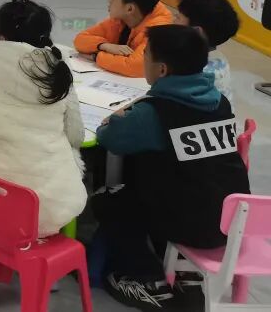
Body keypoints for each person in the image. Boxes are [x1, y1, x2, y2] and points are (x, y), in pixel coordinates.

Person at [94, 25, 250, 310]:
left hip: (188, 223)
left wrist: (117, 118)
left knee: (110, 200)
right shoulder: (219, 102)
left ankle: (146, 279)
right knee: (178, 185)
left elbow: (109, 138)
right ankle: (186, 273)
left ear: (162, 69)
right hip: (231, 220)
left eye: (146, 56)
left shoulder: (153, 113)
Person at [0, 0, 86, 236]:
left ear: (0, 35)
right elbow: (76, 135)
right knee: (71, 156)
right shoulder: (58, 72)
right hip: (49, 207)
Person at [74, 0, 173, 78]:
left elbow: (136, 67)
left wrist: (96, 56)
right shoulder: (121, 19)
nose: (109, 1)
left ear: (129, 9)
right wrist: (104, 45)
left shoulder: (158, 29)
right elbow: (80, 39)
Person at [176, 0, 240, 101]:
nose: (173, 21)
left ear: (196, 32)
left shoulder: (198, 73)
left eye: (178, 18)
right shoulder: (218, 58)